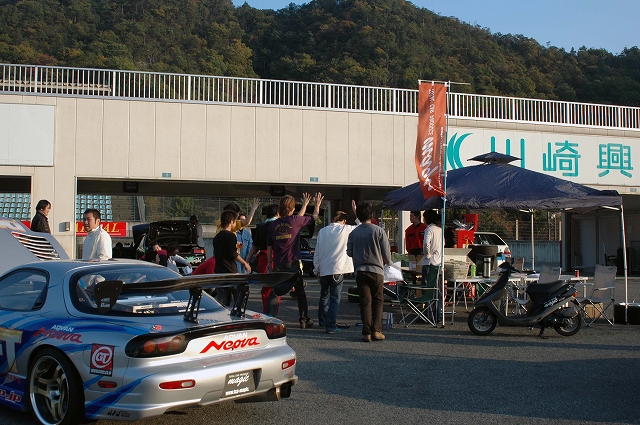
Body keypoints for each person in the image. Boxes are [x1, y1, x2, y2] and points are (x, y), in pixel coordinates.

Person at [267, 192, 324, 329]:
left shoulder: (273, 225)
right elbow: (313, 218)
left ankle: (270, 319)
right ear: (292, 209)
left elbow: (269, 245)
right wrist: (316, 205)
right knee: (300, 291)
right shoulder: (295, 221)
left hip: (279, 262)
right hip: (293, 262)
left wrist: (269, 262)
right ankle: (303, 319)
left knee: (275, 292)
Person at [347, 202, 393, 342]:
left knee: (365, 302)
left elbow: (349, 252)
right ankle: (376, 331)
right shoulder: (379, 231)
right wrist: (390, 263)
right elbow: (386, 253)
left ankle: (366, 332)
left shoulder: (353, 233)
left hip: (361, 270)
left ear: (358, 216)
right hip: (376, 270)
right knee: (378, 300)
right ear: (371, 215)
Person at [314, 201, 359, 334]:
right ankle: (331, 325)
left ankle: (323, 321)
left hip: (324, 269)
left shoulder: (322, 231)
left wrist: (316, 269)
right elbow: (361, 226)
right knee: (335, 298)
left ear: (333, 219)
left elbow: (317, 252)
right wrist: (356, 211)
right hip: (337, 269)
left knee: (324, 296)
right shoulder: (346, 229)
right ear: (344, 221)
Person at [214, 209, 251, 305]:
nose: (235, 224)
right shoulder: (231, 236)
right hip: (230, 271)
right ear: (231, 221)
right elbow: (233, 254)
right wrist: (244, 263)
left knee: (222, 302)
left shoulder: (217, 237)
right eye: (235, 221)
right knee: (239, 300)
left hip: (219, 271)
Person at [247, 204, 279, 313]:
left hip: (262, 259)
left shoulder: (261, 227)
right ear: (277, 213)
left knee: (266, 287)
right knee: (276, 287)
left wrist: (248, 259)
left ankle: (266, 311)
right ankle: (272, 313)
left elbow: (255, 245)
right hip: (275, 258)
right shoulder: (279, 226)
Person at [422, 209, 443, 319]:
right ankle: (437, 314)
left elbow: (426, 243)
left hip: (429, 263)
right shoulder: (440, 230)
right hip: (438, 262)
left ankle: (428, 314)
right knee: (436, 289)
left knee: (427, 289)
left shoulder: (428, 230)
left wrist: (427, 254)